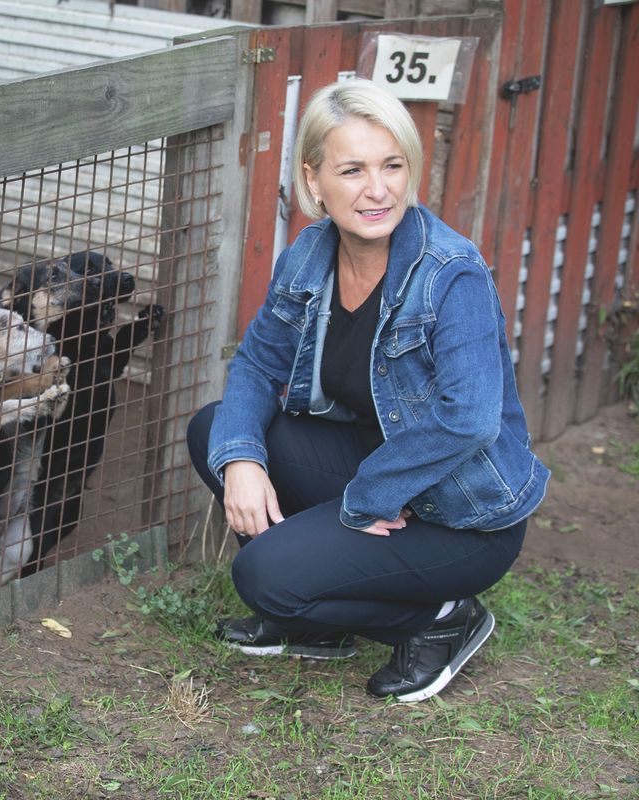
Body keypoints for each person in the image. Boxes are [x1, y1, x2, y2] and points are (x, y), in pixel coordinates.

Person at [185, 78, 549, 702]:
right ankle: (321, 622)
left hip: (462, 512)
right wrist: (242, 459)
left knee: (264, 578)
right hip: (374, 468)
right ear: (314, 180)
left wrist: (368, 496)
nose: (377, 189)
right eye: (352, 170)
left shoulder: (449, 273)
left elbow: (470, 419)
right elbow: (255, 365)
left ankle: (441, 620)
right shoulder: (310, 253)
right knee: (216, 430)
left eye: (392, 166)